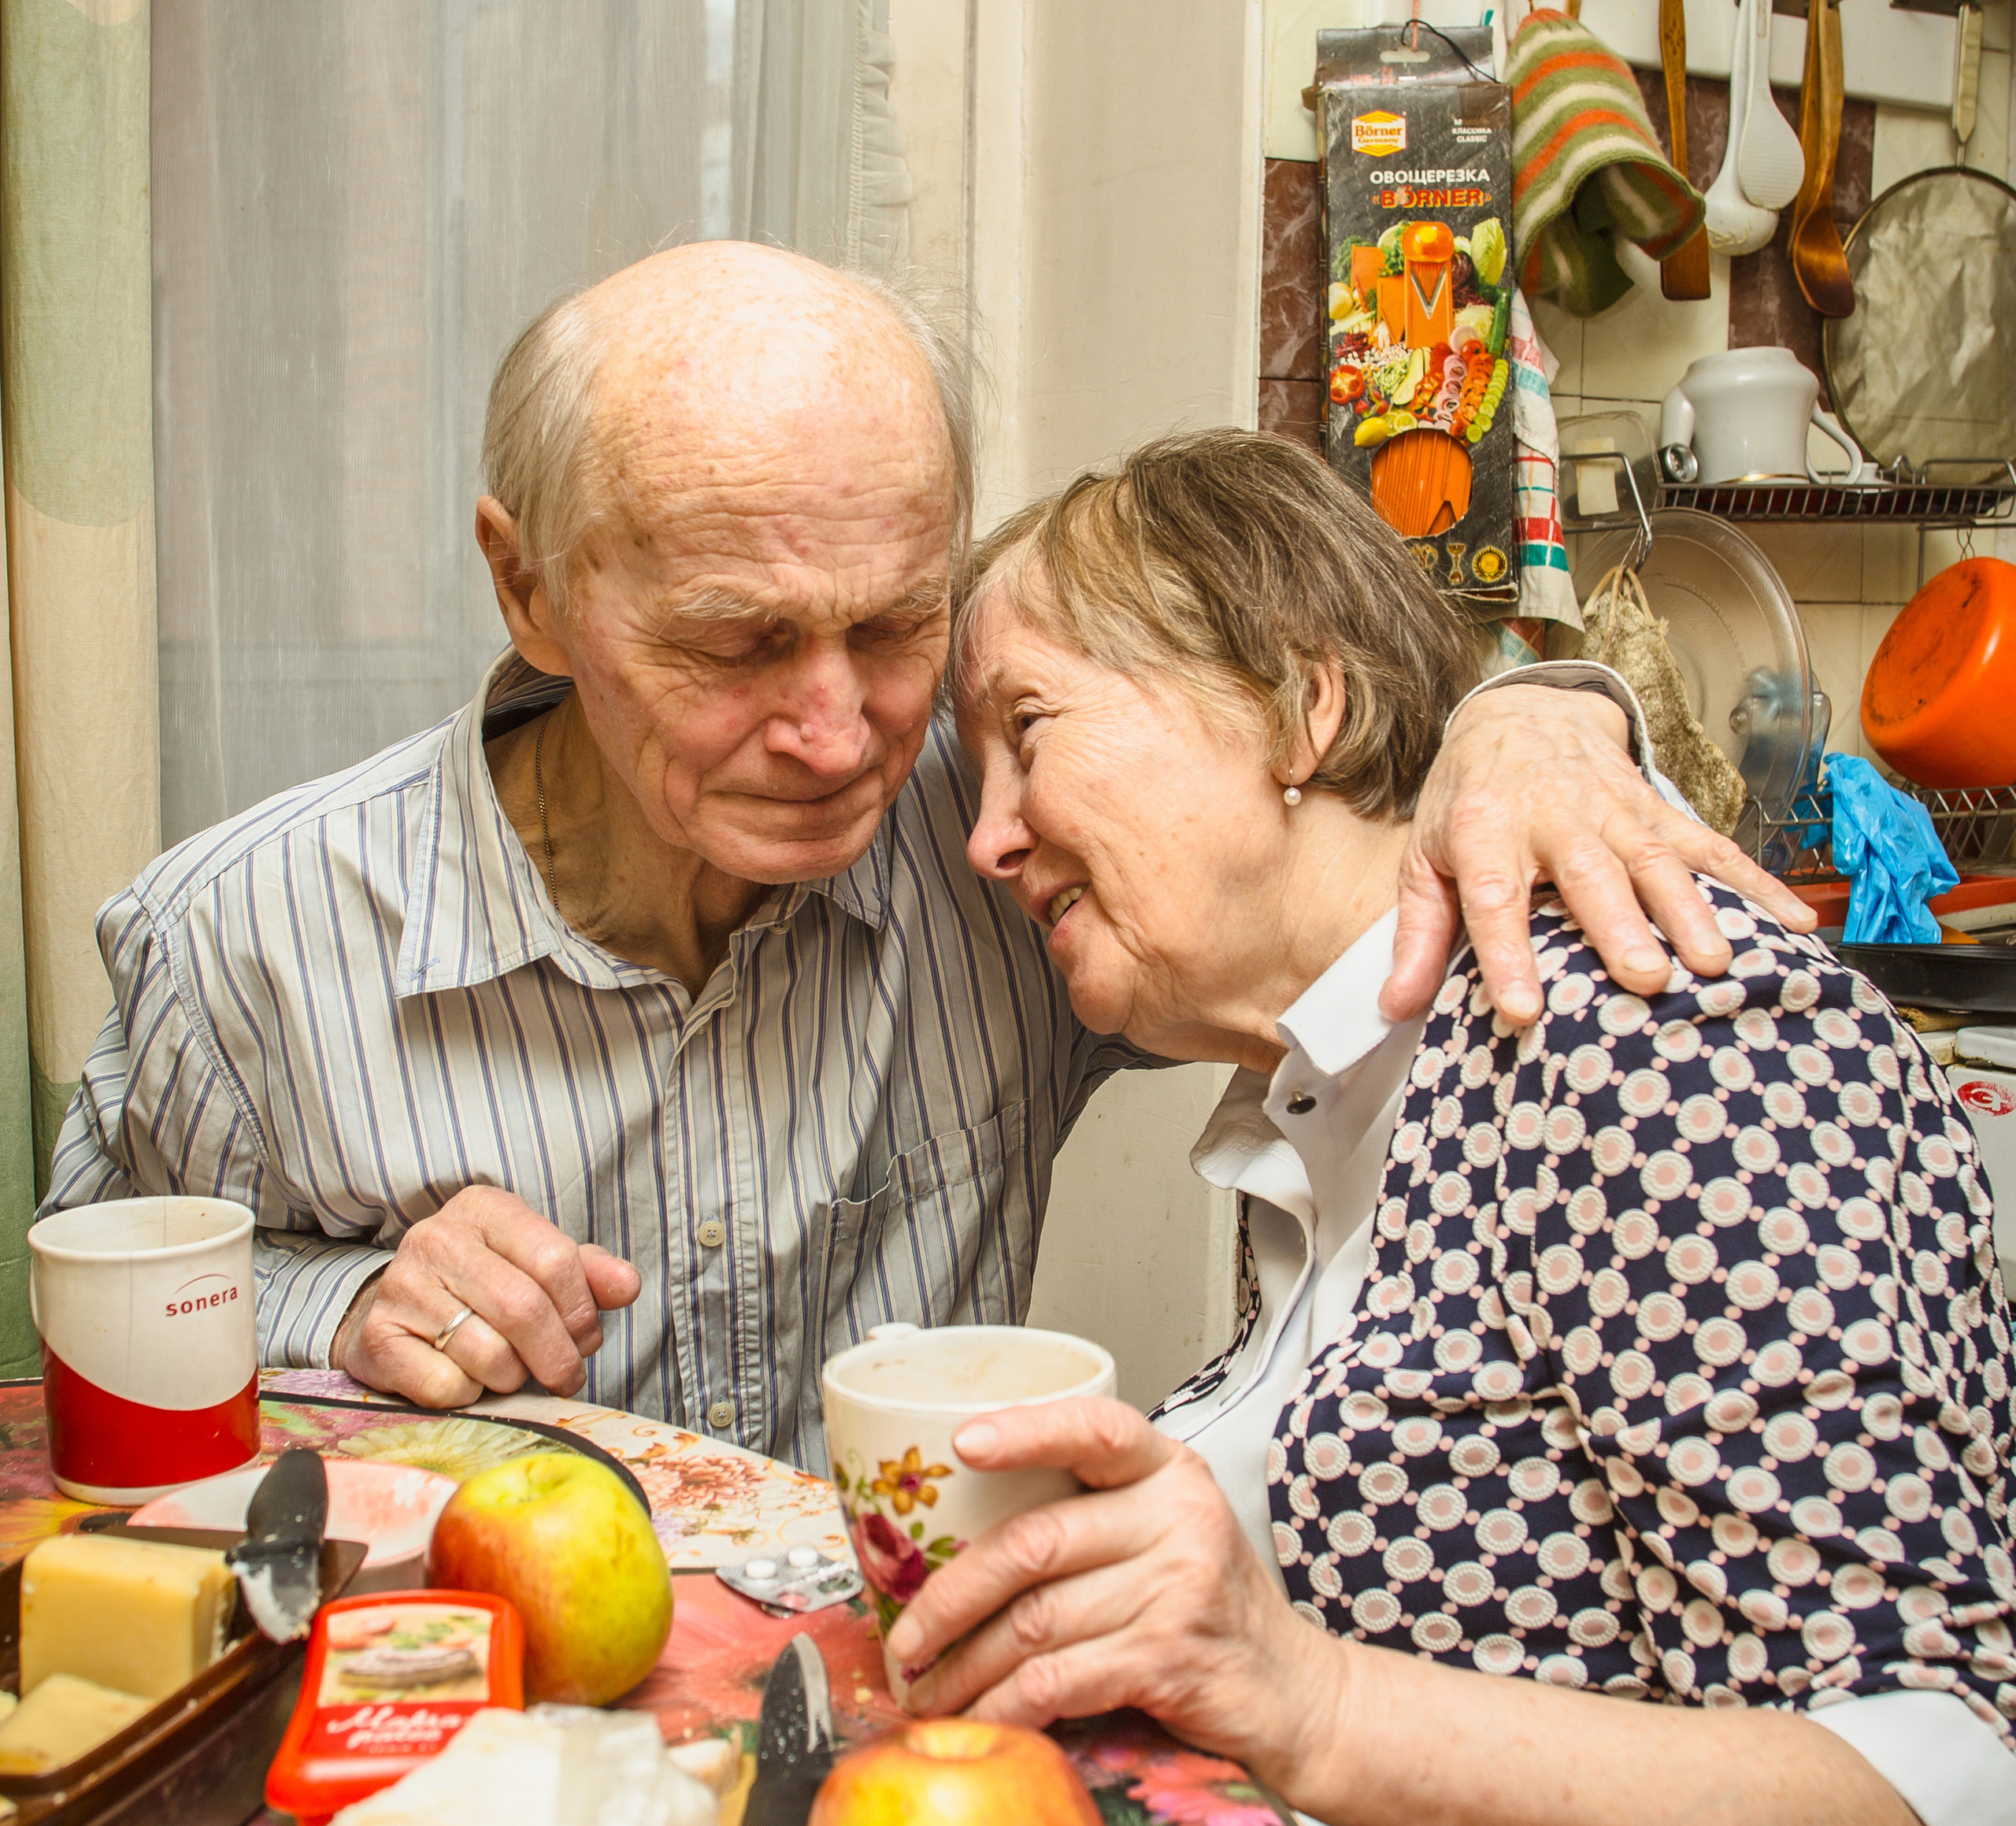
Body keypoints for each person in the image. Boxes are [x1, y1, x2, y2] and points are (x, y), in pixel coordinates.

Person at [890, 430, 2016, 1826]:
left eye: (1028, 733)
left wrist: (1296, 1694)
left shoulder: (1651, 1039)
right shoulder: (1333, 1112)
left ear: (1303, 701)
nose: (986, 838)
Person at [46, 245, 1794, 1461]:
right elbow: (83, 1364)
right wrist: (340, 1299)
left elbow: (1310, 834)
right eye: (737, 643)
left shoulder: (994, 839)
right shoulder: (247, 944)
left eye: (898, 624)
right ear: (532, 591)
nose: (841, 733)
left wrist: (1533, 713)